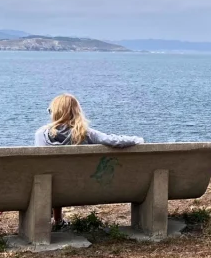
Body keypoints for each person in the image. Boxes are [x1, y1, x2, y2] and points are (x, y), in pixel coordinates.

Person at [35, 93, 145, 226]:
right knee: (64, 175)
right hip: (81, 190)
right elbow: (112, 140)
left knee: (52, 175)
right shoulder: (85, 133)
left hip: (48, 190)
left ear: (55, 113)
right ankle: (58, 220)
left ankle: (57, 220)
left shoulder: (41, 134)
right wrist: (137, 140)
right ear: (76, 112)